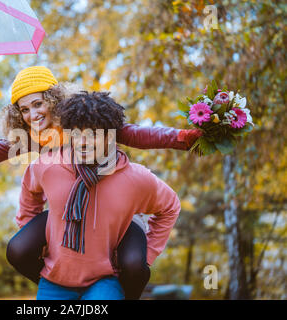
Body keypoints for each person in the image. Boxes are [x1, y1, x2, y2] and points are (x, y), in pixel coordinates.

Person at [0, 66, 200, 299]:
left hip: (109, 206)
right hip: (68, 206)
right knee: (18, 249)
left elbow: (137, 134)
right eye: (24, 110)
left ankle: (115, 289)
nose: (33, 114)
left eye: (38, 104)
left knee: (133, 266)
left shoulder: (83, 119)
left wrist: (181, 138)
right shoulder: (28, 137)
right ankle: (61, 280)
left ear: (53, 100)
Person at [17, 91, 181, 300]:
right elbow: (29, 192)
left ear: (110, 136)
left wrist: (148, 254)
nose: (83, 142)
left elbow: (170, 206)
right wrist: (33, 236)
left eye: (93, 134)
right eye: (75, 134)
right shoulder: (49, 166)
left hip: (105, 279)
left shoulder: (135, 178)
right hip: (55, 278)